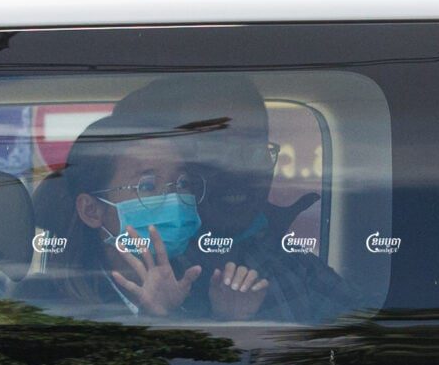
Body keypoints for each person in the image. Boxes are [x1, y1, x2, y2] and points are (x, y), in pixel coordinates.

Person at [110, 74, 362, 324]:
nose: (237, 171)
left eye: (252, 151)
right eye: (213, 151)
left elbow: (368, 342)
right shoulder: (130, 270)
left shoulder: (295, 269)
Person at [19, 112, 269, 322]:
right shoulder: (41, 303)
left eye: (182, 183)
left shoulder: (200, 281)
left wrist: (227, 319)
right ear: (91, 211)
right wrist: (154, 320)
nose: (173, 199)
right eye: (147, 186)